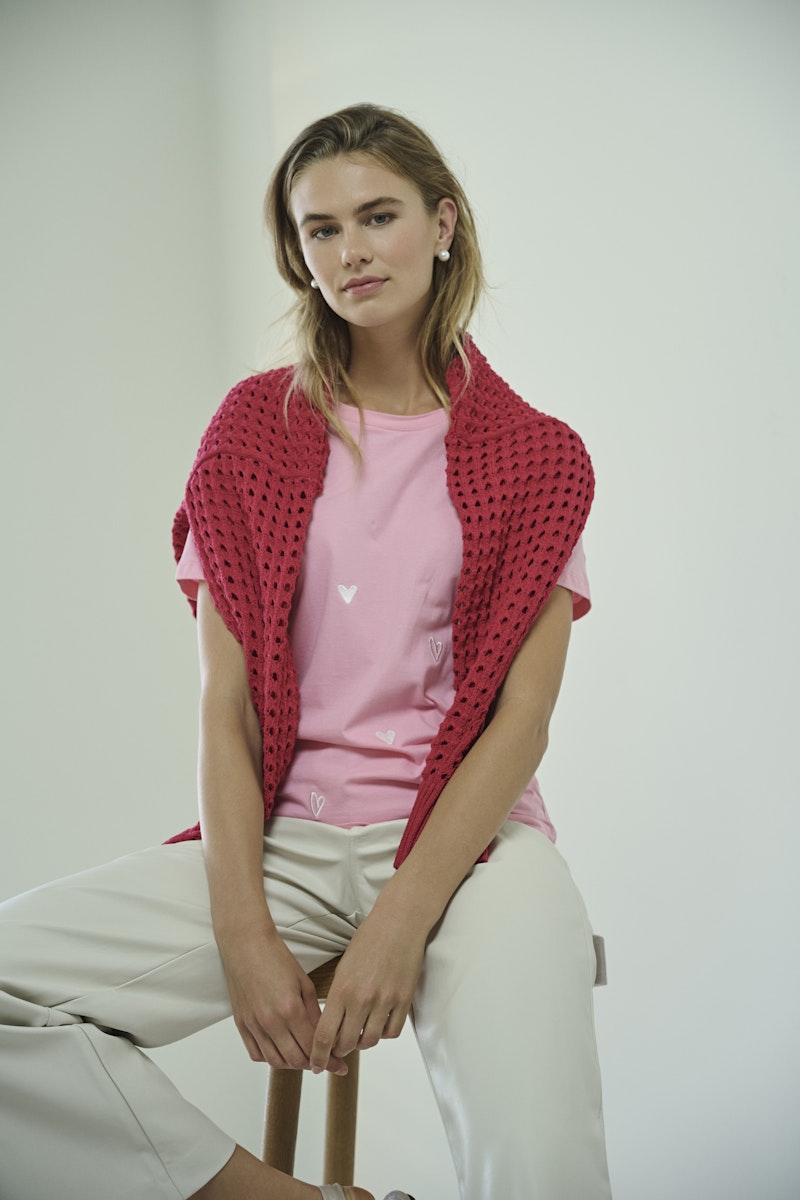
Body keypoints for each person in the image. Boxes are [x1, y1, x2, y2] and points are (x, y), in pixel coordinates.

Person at [0, 104, 612, 1200]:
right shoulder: (250, 433)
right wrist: (241, 927)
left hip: (471, 850)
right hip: (285, 842)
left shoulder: (539, 457)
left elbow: (521, 722)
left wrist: (402, 918)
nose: (350, 251)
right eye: (320, 229)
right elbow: (225, 707)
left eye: (377, 216)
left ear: (442, 224)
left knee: (542, 1162)